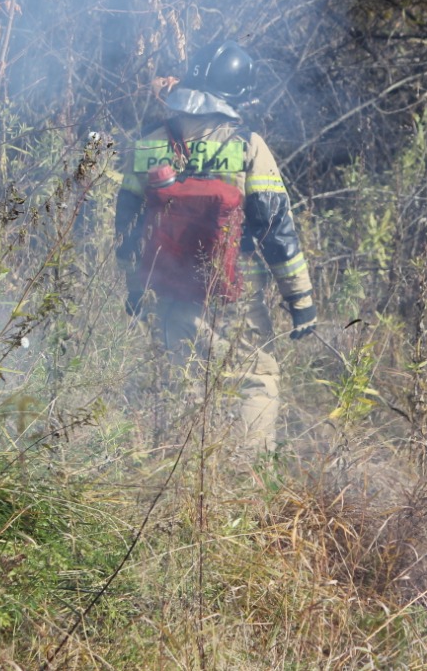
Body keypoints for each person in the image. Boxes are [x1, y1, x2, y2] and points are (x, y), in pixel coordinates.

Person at [114, 40, 317, 456]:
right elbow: (276, 229)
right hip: (235, 289)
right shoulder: (247, 145)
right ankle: (245, 474)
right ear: (236, 91)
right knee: (254, 379)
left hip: (171, 290)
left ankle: (183, 474)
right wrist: (300, 301)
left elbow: (128, 230)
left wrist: (134, 288)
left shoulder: (149, 143)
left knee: (183, 382)